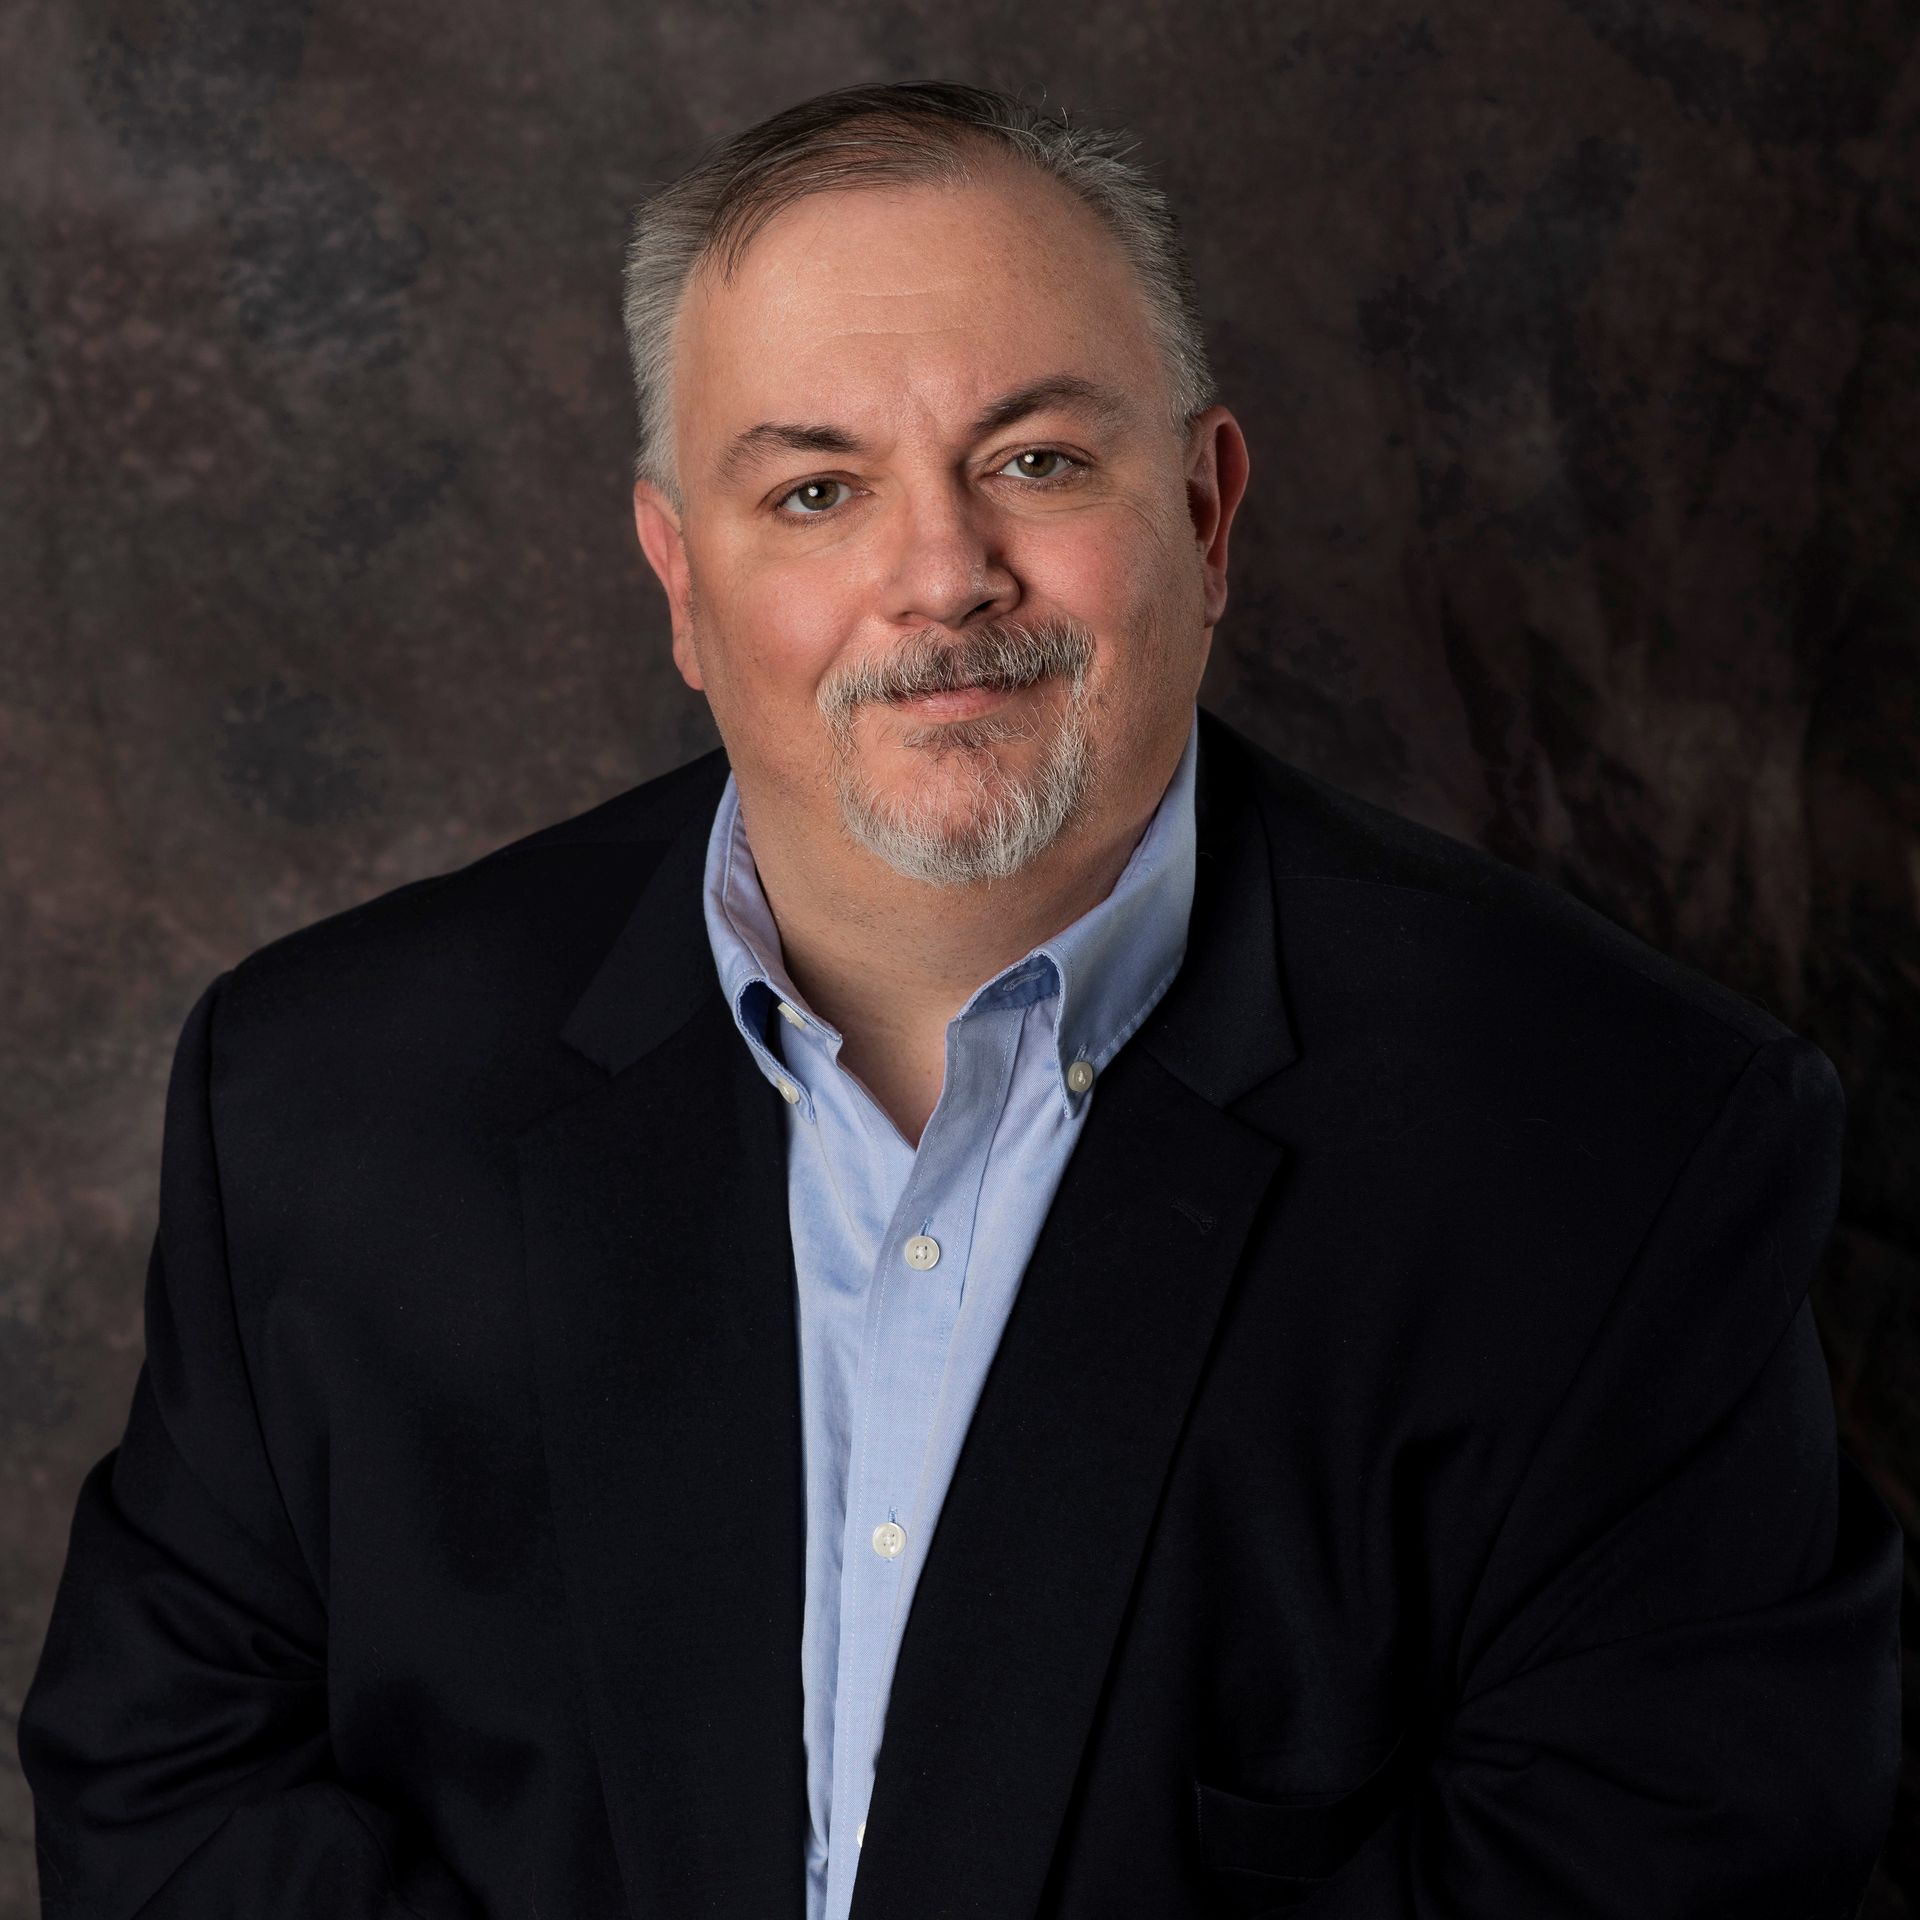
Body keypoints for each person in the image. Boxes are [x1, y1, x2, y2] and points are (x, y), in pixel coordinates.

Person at [18, 79, 1902, 1920]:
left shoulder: (1624, 1146)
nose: (941, 574)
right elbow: (172, 1782)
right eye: (817, 488)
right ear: (681, 581)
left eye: (1036, 460)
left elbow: (1667, 1865)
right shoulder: (321, 1090)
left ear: (1208, 507)